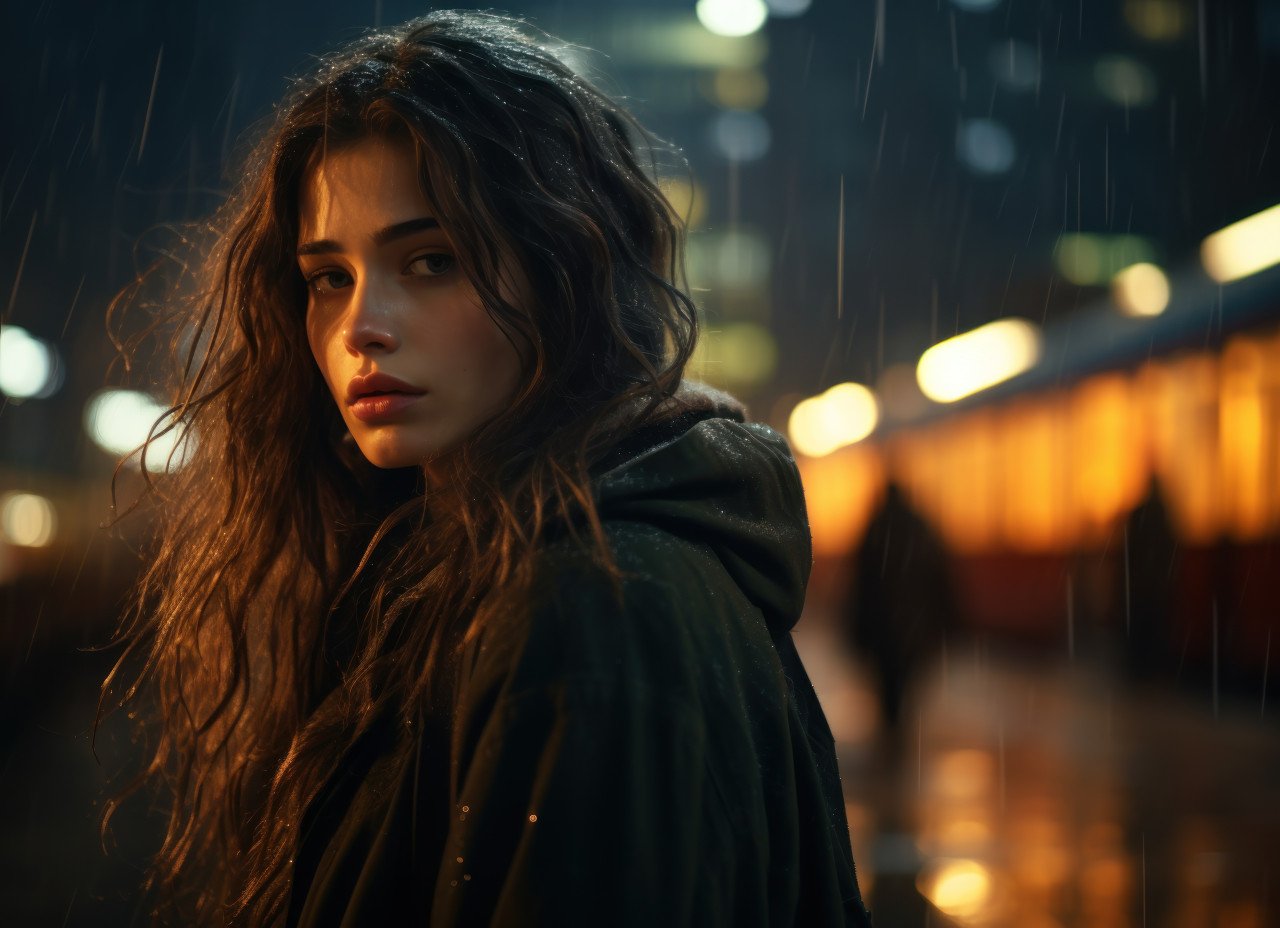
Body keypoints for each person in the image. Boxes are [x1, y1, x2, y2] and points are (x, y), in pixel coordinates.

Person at [99, 11, 872, 927]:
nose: (359, 328)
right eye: (327, 278)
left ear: (564, 271)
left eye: (430, 261)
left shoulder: (593, 606)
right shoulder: (449, 565)